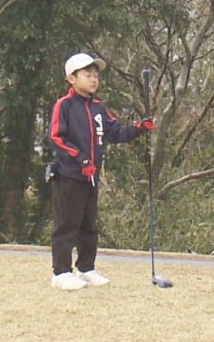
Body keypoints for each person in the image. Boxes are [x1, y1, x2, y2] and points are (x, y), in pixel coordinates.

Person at [48, 53, 153, 290]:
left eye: (96, 75)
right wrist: (81, 159)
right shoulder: (63, 105)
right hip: (68, 175)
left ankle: (86, 268)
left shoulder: (98, 108)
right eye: (87, 74)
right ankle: (61, 272)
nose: (94, 79)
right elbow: (57, 137)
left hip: (91, 177)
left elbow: (115, 133)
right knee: (66, 224)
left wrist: (139, 128)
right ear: (72, 78)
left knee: (89, 225)